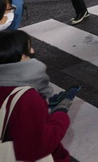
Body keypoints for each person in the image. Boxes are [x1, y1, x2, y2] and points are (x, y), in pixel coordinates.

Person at [0, 31, 72, 162]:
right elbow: (37, 147)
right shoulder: (26, 97)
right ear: (20, 56)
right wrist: (60, 114)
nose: (33, 51)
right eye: (29, 48)